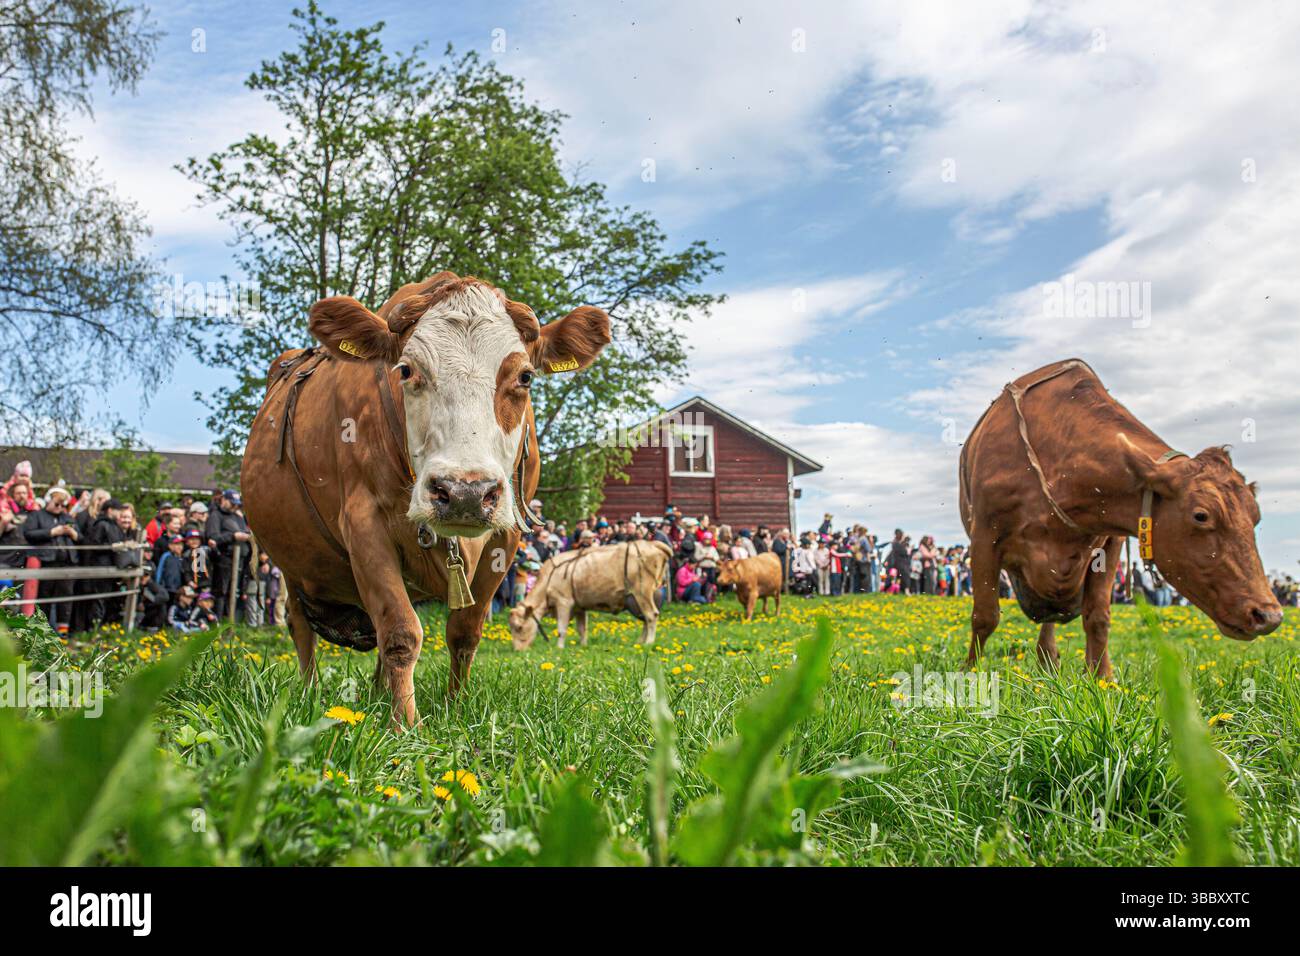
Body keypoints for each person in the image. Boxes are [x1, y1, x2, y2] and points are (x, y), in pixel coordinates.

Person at [21, 484, 80, 631]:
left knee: (66, 597)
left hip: (67, 562)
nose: (60, 507)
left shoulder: (67, 517)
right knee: (44, 597)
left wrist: (73, 533)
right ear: (48, 500)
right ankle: (42, 630)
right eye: (56, 503)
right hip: (46, 561)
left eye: (62, 504)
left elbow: (81, 537)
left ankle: (63, 631)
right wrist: (52, 532)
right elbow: (29, 534)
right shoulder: (36, 515)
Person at [205, 489, 251, 620]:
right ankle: (218, 621)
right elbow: (213, 537)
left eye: (236, 504)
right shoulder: (215, 515)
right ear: (224, 500)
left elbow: (245, 531)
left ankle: (231, 621)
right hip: (224, 558)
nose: (234, 506)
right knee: (221, 592)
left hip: (240, 559)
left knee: (235, 592)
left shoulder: (237, 516)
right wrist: (232, 536)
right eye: (232, 503)